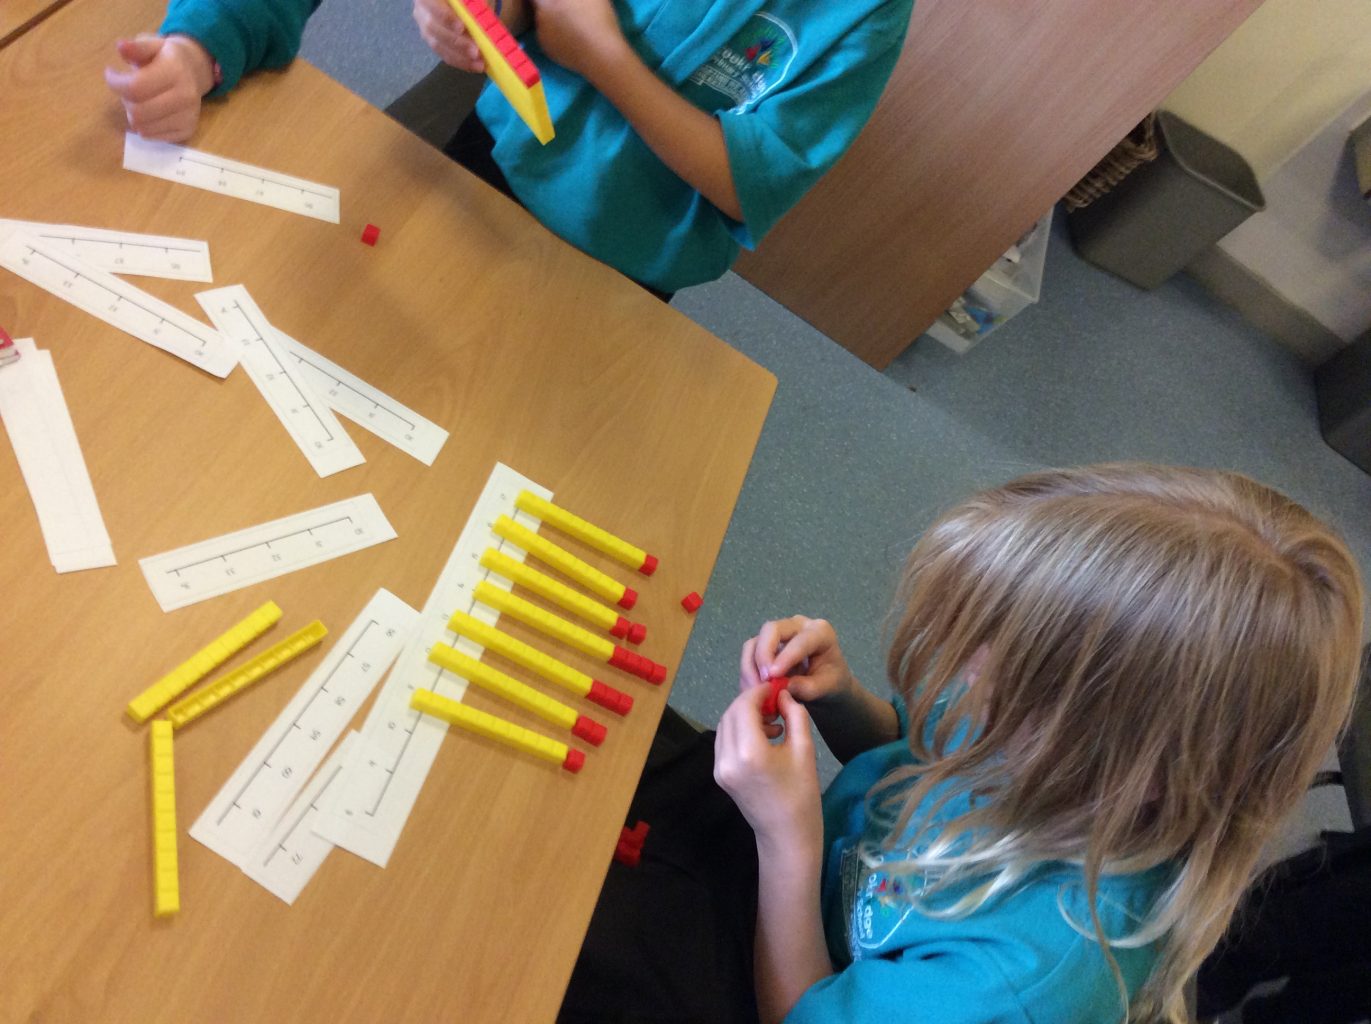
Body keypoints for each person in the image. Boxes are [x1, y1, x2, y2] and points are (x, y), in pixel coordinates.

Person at [561, 463, 1364, 1023]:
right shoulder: (1048, 731)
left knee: (557, 947)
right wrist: (841, 703)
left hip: (791, 980)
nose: (961, 671)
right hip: (796, 865)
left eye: (996, 672)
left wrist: (785, 838)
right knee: (608, 747)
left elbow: (800, 1013)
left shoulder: (1026, 979)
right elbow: (924, 748)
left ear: (1123, 765)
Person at [104, 0, 914, 296]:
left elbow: (750, 182)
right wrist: (484, 18)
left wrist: (603, 56)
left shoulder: (866, 16)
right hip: (489, 158)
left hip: (627, 266)